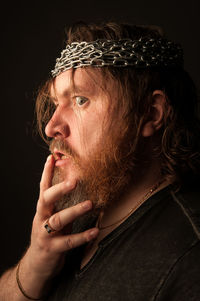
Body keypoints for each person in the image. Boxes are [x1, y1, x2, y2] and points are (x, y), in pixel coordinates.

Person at [0, 21, 200, 301]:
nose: (51, 127)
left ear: (151, 113)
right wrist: (32, 267)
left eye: (81, 100)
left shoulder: (188, 257)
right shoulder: (79, 216)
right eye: (57, 103)